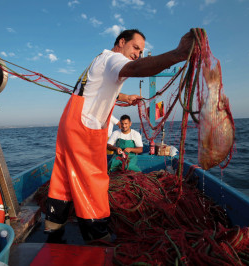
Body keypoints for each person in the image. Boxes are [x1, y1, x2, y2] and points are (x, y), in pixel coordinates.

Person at [44, 29, 194, 244]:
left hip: (69, 123)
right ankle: (97, 234)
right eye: (135, 48)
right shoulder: (114, 59)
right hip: (85, 129)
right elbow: (135, 68)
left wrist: (124, 96)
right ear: (121, 42)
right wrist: (179, 53)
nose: (138, 55)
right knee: (93, 180)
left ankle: (53, 223)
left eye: (141, 52)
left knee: (63, 177)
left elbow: (98, 88)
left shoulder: (101, 58)